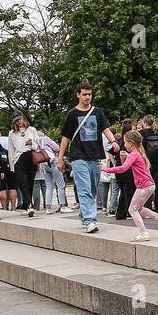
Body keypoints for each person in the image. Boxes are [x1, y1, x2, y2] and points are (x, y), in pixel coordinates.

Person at [58, 82, 118, 234]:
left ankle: (84, 214)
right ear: (78, 94)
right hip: (78, 156)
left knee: (92, 188)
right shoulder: (72, 114)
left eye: (89, 94)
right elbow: (66, 137)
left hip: (95, 155)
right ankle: (90, 220)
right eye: (84, 94)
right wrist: (60, 158)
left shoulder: (97, 112)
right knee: (84, 188)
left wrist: (113, 141)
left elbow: (105, 128)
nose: (87, 97)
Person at [101, 130, 158, 242]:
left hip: (143, 186)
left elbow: (123, 168)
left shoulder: (133, 155)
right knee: (139, 208)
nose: (124, 144)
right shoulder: (139, 154)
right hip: (149, 185)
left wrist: (106, 169)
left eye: (125, 142)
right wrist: (126, 157)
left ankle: (144, 233)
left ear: (131, 143)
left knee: (132, 210)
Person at [7, 112, 42, 218]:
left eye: (21, 119)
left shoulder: (32, 130)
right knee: (23, 183)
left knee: (30, 182)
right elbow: (11, 150)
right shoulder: (12, 133)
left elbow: (38, 146)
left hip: (30, 156)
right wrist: (12, 165)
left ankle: (26, 205)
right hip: (19, 158)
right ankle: (29, 205)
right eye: (17, 121)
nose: (20, 122)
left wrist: (31, 143)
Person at [137, 115, 158, 215]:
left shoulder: (141, 133)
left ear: (144, 123)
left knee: (146, 185)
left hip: (145, 163)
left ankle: (147, 208)